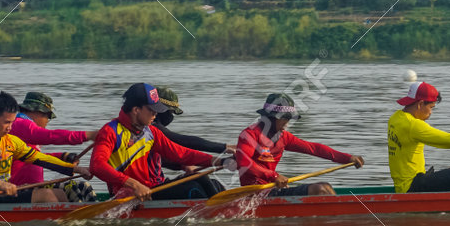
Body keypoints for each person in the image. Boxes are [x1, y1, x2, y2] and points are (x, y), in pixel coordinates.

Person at [90, 83, 233, 200]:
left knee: (207, 180)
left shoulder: (151, 132)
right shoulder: (110, 132)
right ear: (136, 110)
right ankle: (224, 216)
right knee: (194, 188)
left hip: (155, 188)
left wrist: (221, 161)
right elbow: (97, 166)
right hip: (131, 195)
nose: (155, 114)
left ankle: (226, 209)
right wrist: (134, 185)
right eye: (152, 110)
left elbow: (182, 154)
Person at [0, 91, 92, 203]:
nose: (10, 128)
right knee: (47, 196)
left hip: (7, 193)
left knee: (60, 194)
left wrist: (77, 169)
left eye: (12, 122)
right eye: (7, 123)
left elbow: (40, 158)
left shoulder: (11, 141)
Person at [233, 93, 364, 196]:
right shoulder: (249, 135)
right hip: (254, 194)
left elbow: (314, 149)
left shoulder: (284, 137)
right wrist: (274, 176)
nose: (287, 123)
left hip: (272, 189)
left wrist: (347, 158)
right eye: (284, 118)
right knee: (321, 189)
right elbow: (244, 164)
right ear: (271, 117)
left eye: (288, 118)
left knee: (326, 187)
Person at [8, 91, 98, 201]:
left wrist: (62, 156)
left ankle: (92, 216)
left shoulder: (23, 129)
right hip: (20, 187)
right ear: (37, 112)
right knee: (66, 192)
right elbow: (51, 136)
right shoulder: (21, 124)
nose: (47, 122)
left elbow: (36, 157)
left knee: (82, 187)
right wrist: (88, 135)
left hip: (34, 186)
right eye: (48, 116)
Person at [150, 86, 234, 198]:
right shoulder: (151, 129)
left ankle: (228, 206)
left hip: (158, 183)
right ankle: (224, 210)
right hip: (145, 191)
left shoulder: (148, 133)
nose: (171, 116)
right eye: (170, 112)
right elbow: (183, 141)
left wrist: (182, 165)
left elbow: (162, 159)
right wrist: (224, 148)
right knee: (198, 181)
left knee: (215, 183)